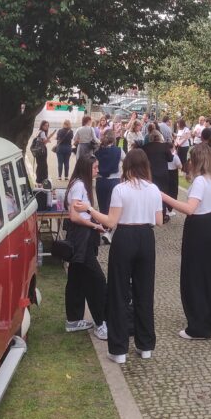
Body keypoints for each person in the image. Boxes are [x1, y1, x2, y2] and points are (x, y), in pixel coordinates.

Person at [86, 149, 163, 364]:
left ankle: (119, 349)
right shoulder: (154, 189)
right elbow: (159, 221)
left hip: (125, 237)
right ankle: (145, 345)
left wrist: (90, 210)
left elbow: (111, 222)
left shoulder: (120, 189)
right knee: (144, 292)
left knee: (119, 292)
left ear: (127, 166)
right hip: (146, 237)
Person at [161, 144, 211, 340]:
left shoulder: (200, 181)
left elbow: (190, 209)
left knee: (195, 275)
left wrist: (164, 196)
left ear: (197, 160)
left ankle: (199, 326)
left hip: (199, 226)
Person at [63, 155, 108, 339]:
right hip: (81, 238)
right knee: (97, 280)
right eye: (95, 167)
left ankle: (73, 320)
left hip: (82, 235)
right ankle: (100, 322)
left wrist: (95, 222)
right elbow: (74, 216)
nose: (98, 170)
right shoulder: (79, 185)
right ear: (86, 168)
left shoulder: (80, 184)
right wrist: (94, 225)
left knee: (77, 278)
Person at [142, 130, 174, 222]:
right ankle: (162, 215)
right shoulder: (164, 146)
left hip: (150, 174)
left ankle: (149, 216)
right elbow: (170, 159)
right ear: (160, 137)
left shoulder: (145, 147)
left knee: (149, 194)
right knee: (163, 194)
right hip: (162, 173)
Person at [94, 130, 124, 226]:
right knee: (113, 205)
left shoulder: (97, 151)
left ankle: (104, 226)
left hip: (101, 180)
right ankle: (109, 227)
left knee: (102, 206)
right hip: (114, 180)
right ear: (114, 139)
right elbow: (127, 160)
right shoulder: (119, 150)